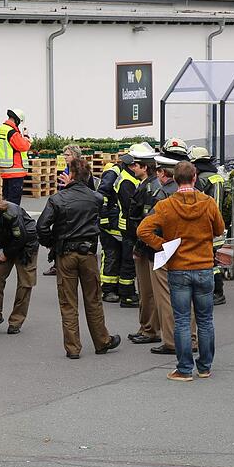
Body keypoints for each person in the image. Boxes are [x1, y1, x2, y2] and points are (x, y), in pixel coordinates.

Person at [137, 161, 224, 382]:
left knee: (182, 320)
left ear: (174, 179)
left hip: (179, 268)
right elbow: (219, 229)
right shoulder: (208, 202)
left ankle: (184, 369)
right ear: (195, 178)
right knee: (205, 320)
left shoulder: (166, 205)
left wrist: (162, 244)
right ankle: (204, 366)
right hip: (204, 267)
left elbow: (142, 230)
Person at [37, 157, 121, 360]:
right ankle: (102, 341)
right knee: (93, 300)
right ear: (89, 176)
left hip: (65, 254)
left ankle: (73, 347)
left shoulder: (58, 199)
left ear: (71, 175)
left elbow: (41, 226)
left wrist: (52, 244)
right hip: (88, 254)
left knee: (68, 302)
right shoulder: (95, 198)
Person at [143, 154, 196, 357]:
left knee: (165, 297)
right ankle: (191, 338)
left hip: (167, 253)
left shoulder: (162, 195)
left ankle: (171, 340)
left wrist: (159, 246)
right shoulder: (198, 195)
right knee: (189, 298)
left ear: (165, 174)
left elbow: (147, 228)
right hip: (191, 253)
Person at [0, 195, 39, 335]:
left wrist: (5, 253)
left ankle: (16, 321)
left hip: (26, 246)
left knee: (25, 284)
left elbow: (20, 238)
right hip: (6, 244)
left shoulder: (10, 214)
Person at [122, 143, 161, 345]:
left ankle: (149, 329)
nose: (132, 168)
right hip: (146, 246)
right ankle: (146, 326)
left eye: (135, 165)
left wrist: (138, 247)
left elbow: (146, 223)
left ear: (145, 167)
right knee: (147, 291)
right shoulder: (148, 185)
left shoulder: (150, 189)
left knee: (147, 291)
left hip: (146, 248)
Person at [189, 146, 228, 306]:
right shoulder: (216, 176)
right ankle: (215, 291)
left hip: (206, 224)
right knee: (212, 259)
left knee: (210, 261)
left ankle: (217, 293)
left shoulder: (202, 179)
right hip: (216, 222)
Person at [114, 150, 142, 308]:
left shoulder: (129, 178)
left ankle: (126, 291)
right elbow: (129, 205)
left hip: (127, 223)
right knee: (129, 261)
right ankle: (127, 295)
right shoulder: (127, 182)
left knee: (128, 259)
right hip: (128, 225)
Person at [97, 155, 123, 302]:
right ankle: (107, 289)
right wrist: (105, 217)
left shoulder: (129, 175)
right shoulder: (113, 173)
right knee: (111, 255)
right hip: (110, 223)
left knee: (122, 256)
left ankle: (119, 287)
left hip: (121, 223)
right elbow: (102, 196)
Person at [0, 108, 31, 205]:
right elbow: (23, 146)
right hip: (16, 171)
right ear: (17, 120)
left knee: (5, 200)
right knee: (14, 202)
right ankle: (12, 219)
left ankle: (4, 219)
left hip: (5, 171)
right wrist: (26, 138)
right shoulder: (12, 132)